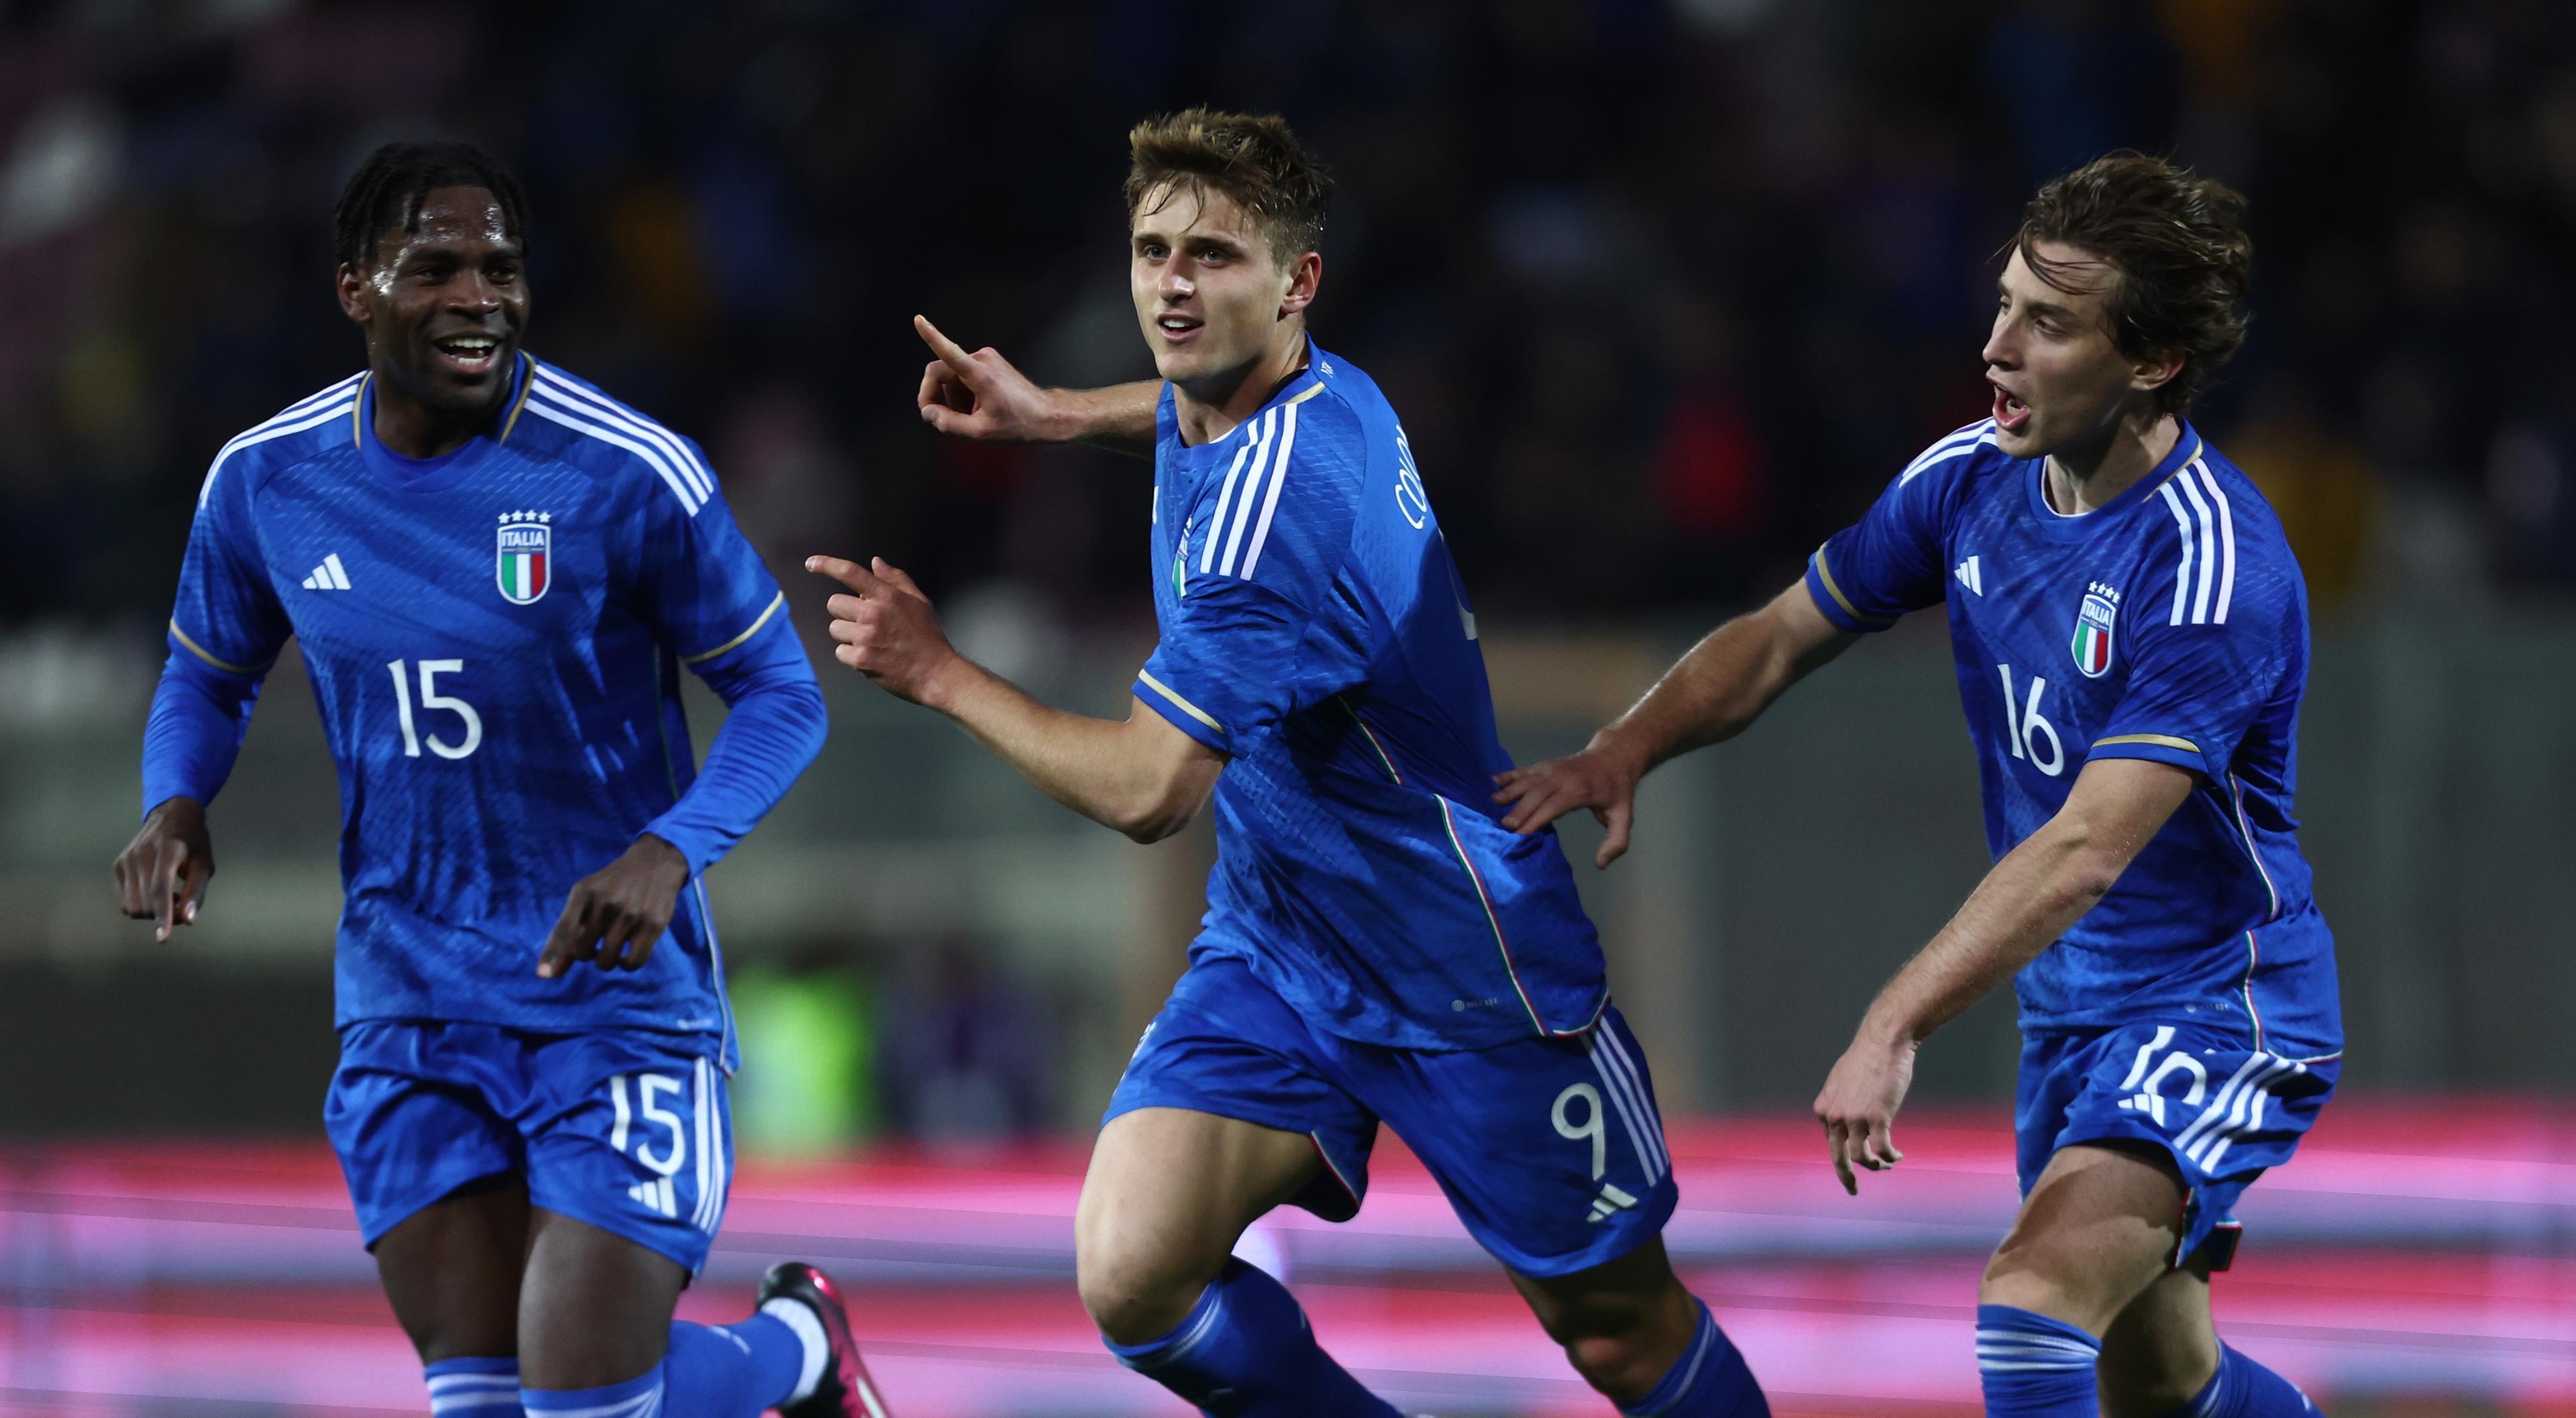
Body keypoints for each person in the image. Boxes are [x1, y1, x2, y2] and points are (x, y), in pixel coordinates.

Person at [806, 108, 1768, 1418]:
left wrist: (938, 671)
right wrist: (1052, 415)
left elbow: (1150, 791)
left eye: (1214, 256)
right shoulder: (1298, 386)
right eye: (1154, 250)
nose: (1173, 285)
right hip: (1285, 948)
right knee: (1136, 1270)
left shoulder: (1279, 520)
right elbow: (1182, 401)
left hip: (1468, 978)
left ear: (1297, 281)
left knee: (1620, 1336)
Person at [1495, 153, 2335, 1418]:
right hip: (2073, 1009)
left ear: (2153, 359)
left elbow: (2089, 847)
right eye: (2003, 302)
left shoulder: (2212, 567)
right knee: (2160, 1376)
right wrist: (1625, 745)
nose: (1996, 345)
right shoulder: (1969, 478)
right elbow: (1782, 633)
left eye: (2048, 323)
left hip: (2222, 1001)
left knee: (2033, 1308)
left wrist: (1893, 1021)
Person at [112, 141, 888, 1418]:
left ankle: (800, 1349)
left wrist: (671, 847)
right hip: (410, 1008)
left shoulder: (624, 471)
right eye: (436, 266)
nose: (480, 295)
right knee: (485, 1403)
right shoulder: (268, 480)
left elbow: (786, 694)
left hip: (612, 1008)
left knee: (582, 1403)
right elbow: (208, 674)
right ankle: (801, 1367)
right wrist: (176, 800)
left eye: (502, 266)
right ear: (357, 287)